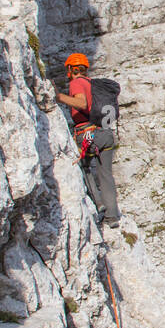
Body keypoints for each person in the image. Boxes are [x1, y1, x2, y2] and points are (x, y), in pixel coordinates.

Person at [56, 53, 121, 228]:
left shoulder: (77, 83)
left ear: (70, 69)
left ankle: (98, 205)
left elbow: (82, 103)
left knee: (82, 169)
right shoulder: (93, 85)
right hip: (106, 134)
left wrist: (59, 97)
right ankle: (112, 216)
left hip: (87, 133)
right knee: (106, 174)